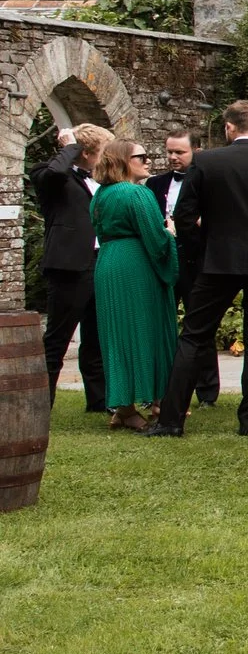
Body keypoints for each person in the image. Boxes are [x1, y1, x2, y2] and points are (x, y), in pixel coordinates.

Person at [151, 103, 248, 438]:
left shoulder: (207, 161)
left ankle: (171, 421)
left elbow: (184, 215)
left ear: (229, 128)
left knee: (195, 334)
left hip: (219, 260)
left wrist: (207, 239)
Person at [87, 139, 176, 431]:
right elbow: (155, 239)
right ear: (124, 161)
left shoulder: (101, 194)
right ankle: (139, 406)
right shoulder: (137, 194)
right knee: (143, 330)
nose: (148, 161)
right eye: (142, 156)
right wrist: (170, 232)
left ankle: (124, 406)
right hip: (135, 266)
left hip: (109, 263)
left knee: (117, 333)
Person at [34, 122, 109, 411]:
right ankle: (42, 403)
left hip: (99, 263)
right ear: (87, 153)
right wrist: (69, 146)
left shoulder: (98, 180)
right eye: (102, 152)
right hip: (69, 268)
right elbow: (54, 172)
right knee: (57, 339)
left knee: (96, 337)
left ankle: (99, 401)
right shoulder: (50, 175)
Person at [145, 130, 214, 409]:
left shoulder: (209, 181)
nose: (173, 157)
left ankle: (207, 393)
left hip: (197, 262)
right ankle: (161, 386)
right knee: (161, 323)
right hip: (163, 261)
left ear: (196, 150)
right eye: (170, 151)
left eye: (180, 152)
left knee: (200, 327)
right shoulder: (155, 183)